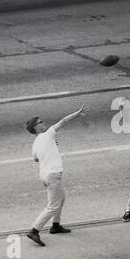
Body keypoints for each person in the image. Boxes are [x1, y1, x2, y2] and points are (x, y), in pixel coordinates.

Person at [25, 104, 89, 246]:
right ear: (36, 127)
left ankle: (56, 225)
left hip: (45, 175)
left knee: (61, 198)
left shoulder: (35, 144)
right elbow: (63, 121)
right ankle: (34, 230)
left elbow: (35, 158)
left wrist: (51, 146)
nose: (44, 123)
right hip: (53, 175)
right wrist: (77, 113)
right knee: (53, 205)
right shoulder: (48, 134)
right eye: (40, 122)